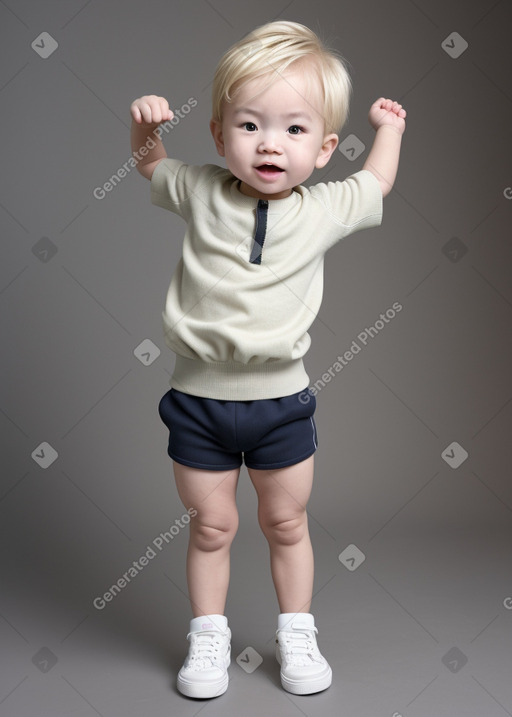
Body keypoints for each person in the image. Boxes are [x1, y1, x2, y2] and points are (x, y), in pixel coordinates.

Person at [130, 20, 406, 700]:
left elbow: (377, 181)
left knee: (286, 521)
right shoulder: (198, 189)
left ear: (323, 148)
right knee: (211, 524)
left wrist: (391, 126)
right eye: (250, 125)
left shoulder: (325, 208)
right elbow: (148, 162)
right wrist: (143, 125)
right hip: (199, 401)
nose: (270, 144)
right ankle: (208, 635)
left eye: (293, 129)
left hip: (282, 403)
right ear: (221, 135)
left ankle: (296, 629)